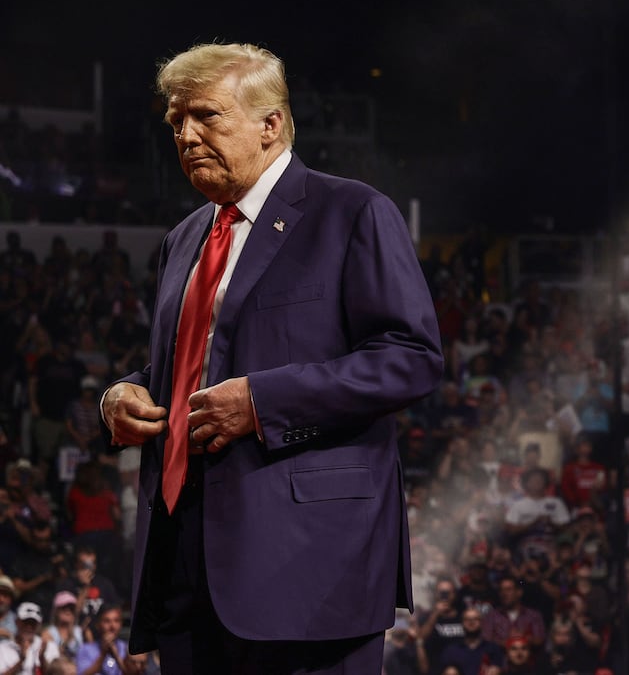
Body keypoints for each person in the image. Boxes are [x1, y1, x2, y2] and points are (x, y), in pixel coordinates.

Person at [99, 43, 444, 673]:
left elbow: (411, 356)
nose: (186, 135)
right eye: (176, 122)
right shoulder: (184, 239)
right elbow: (193, 364)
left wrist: (262, 402)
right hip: (184, 560)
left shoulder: (353, 212)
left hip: (310, 567)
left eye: (206, 115)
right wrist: (124, 393)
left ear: (271, 124)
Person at [0, 602, 60, 673]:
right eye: (26, 622)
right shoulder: (3, 648)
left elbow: (56, 673)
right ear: (16, 622)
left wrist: (42, 658)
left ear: (39, 625)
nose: (29, 627)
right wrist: (21, 660)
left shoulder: (49, 646)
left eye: (33, 623)